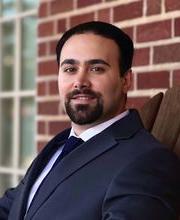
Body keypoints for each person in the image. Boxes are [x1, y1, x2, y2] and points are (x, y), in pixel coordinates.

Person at [0, 21, 179, 220]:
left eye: (96, 68)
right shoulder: (59, 146)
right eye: (70, 69)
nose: (80, 82)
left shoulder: (148, 161)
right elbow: (12, 208)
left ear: (126, 80)